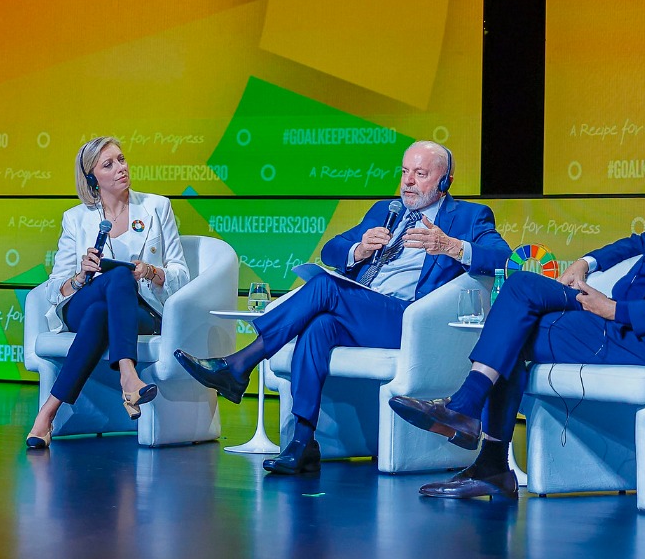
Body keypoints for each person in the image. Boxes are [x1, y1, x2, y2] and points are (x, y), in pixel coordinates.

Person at [390, 129, 645, 500]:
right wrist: (587, 261)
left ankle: (484, 449)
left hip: (638, 338)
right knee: (521, 288)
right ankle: (473, 425)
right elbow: (640, 242)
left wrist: (614, 309)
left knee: (515, 331)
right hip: (613, 322)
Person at [175, 140, 511, 475]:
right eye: (405, 172)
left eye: (420, 174)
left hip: (410, 319)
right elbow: (332, 250)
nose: (408, 182)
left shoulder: (469, 216)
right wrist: (360, 250)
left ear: (445, 182)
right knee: (318, 326)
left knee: (324, 287)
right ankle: (303, 442)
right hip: (365, 310)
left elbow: (502, 256)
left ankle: (240, 363)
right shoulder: (386, 211)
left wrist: (451, 245)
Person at [25, 136, 189, 449]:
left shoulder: (157, 207)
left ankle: (47, 414)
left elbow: (181, 276)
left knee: (112, 298)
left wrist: (151, 272)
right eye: (108, 164)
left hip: (141, 312)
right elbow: (53, 288)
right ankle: (129, 376)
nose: (121, 168)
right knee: (116, 281)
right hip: (82, 302)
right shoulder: (76, 218)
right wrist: (81, 276)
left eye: (122, 159)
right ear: (92, 178)